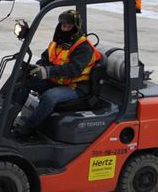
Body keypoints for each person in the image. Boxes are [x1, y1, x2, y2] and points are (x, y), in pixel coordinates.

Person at [11, 9, 101, 138]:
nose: (65, 29)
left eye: (69, 26)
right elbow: (45, 58)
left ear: (76, 27)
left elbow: (73, 70)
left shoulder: (83, 47)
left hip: (76, 87)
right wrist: (38, 67)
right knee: (24, 82)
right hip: (56, 82)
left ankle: (27, 129)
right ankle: (8, 118)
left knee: (49, 96)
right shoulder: (57, 43)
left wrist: (48, 71)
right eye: (63, 26)